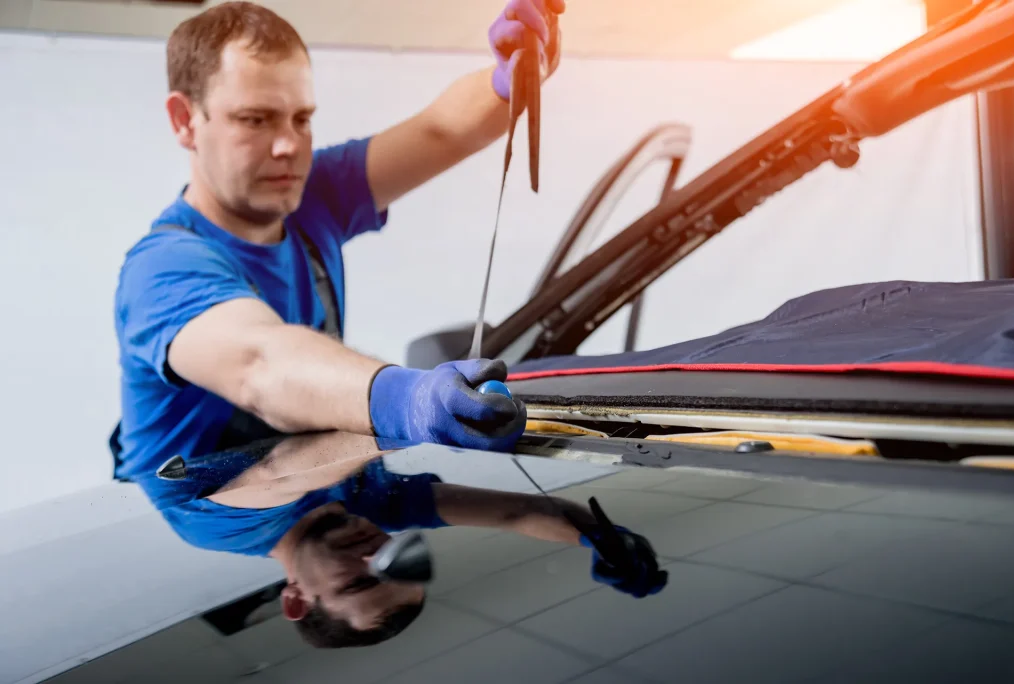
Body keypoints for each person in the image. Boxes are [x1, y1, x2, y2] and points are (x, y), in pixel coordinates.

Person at [111, 0, 567, 483]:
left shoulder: (312, 196)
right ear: (185, 120)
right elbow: (260, 364)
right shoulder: (161, 269)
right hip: (189, 544)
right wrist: (410, 399)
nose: (288, 145)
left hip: (308, 516)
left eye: (301, 119)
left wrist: (513, 77)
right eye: (254, 119)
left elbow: (440, 132)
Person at [149, 431, 667, 649]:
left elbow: (281, 473)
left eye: (356, 582)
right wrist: (602, 539)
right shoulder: (377, 511)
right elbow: (518, 512)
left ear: (294, 598)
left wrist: (412, 418)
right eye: (401, 565)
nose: (379, 552)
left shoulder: (219, 530)